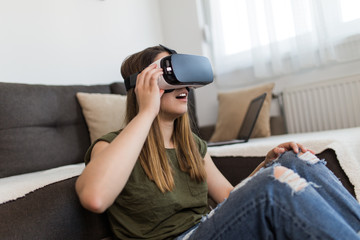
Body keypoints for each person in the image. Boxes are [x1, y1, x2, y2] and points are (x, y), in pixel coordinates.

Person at [75, 45, 360, 240]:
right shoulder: (111, 146)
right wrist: (147, 110)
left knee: (296, 162)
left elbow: (227, 197)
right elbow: (95, 197)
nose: (183, 85)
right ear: (143, 83)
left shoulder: (191, 145)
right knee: (272, 183)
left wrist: (266, 165)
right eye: (170, 75)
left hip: (208, 229)